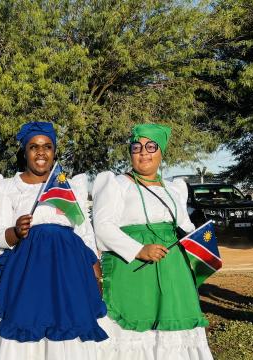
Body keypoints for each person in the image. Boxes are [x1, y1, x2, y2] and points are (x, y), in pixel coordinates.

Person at [0, 122, 108, 360]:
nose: (41, 152)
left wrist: (95, 274)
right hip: (24, 276)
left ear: (55, 151)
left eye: (47, 146)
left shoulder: (67, 187)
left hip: (69, 276)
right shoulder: (6, 188)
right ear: (24, 152)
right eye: (34, 147)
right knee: (25, 328)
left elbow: (84, 231)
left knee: (68, 330)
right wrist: (14, 232)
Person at [92, 123, 213, 359]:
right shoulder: (117, 185)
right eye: (137, 147)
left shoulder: (173, 189)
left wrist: (202, 247)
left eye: (151, 146)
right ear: (130, 153)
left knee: (173, 325)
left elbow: (185, 227)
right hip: (134, 269)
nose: (143, 152)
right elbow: (103, 227)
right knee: (136, 328)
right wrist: (139, 249)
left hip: (173, 271)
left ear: (161, 152)